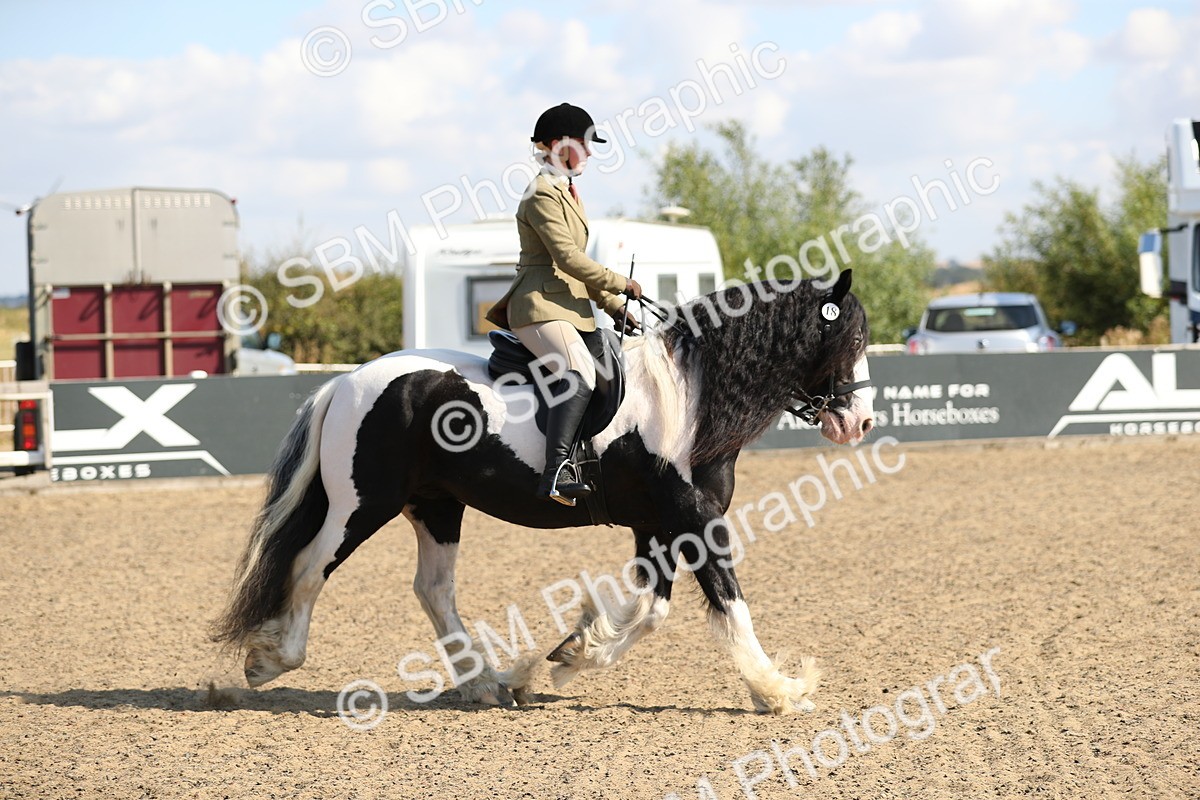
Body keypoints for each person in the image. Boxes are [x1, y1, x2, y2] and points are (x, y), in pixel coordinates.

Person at [486, 103, 642, 506]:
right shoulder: (541, 194)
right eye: (585, 144)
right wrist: (620, 282)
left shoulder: (568, 193)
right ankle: (556, 470)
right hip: (538, 306)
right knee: (579, 372)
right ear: (558, 145)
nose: (590, 153)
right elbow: (568, 260)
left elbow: (574, 272)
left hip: (568, 307)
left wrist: (612, 305)